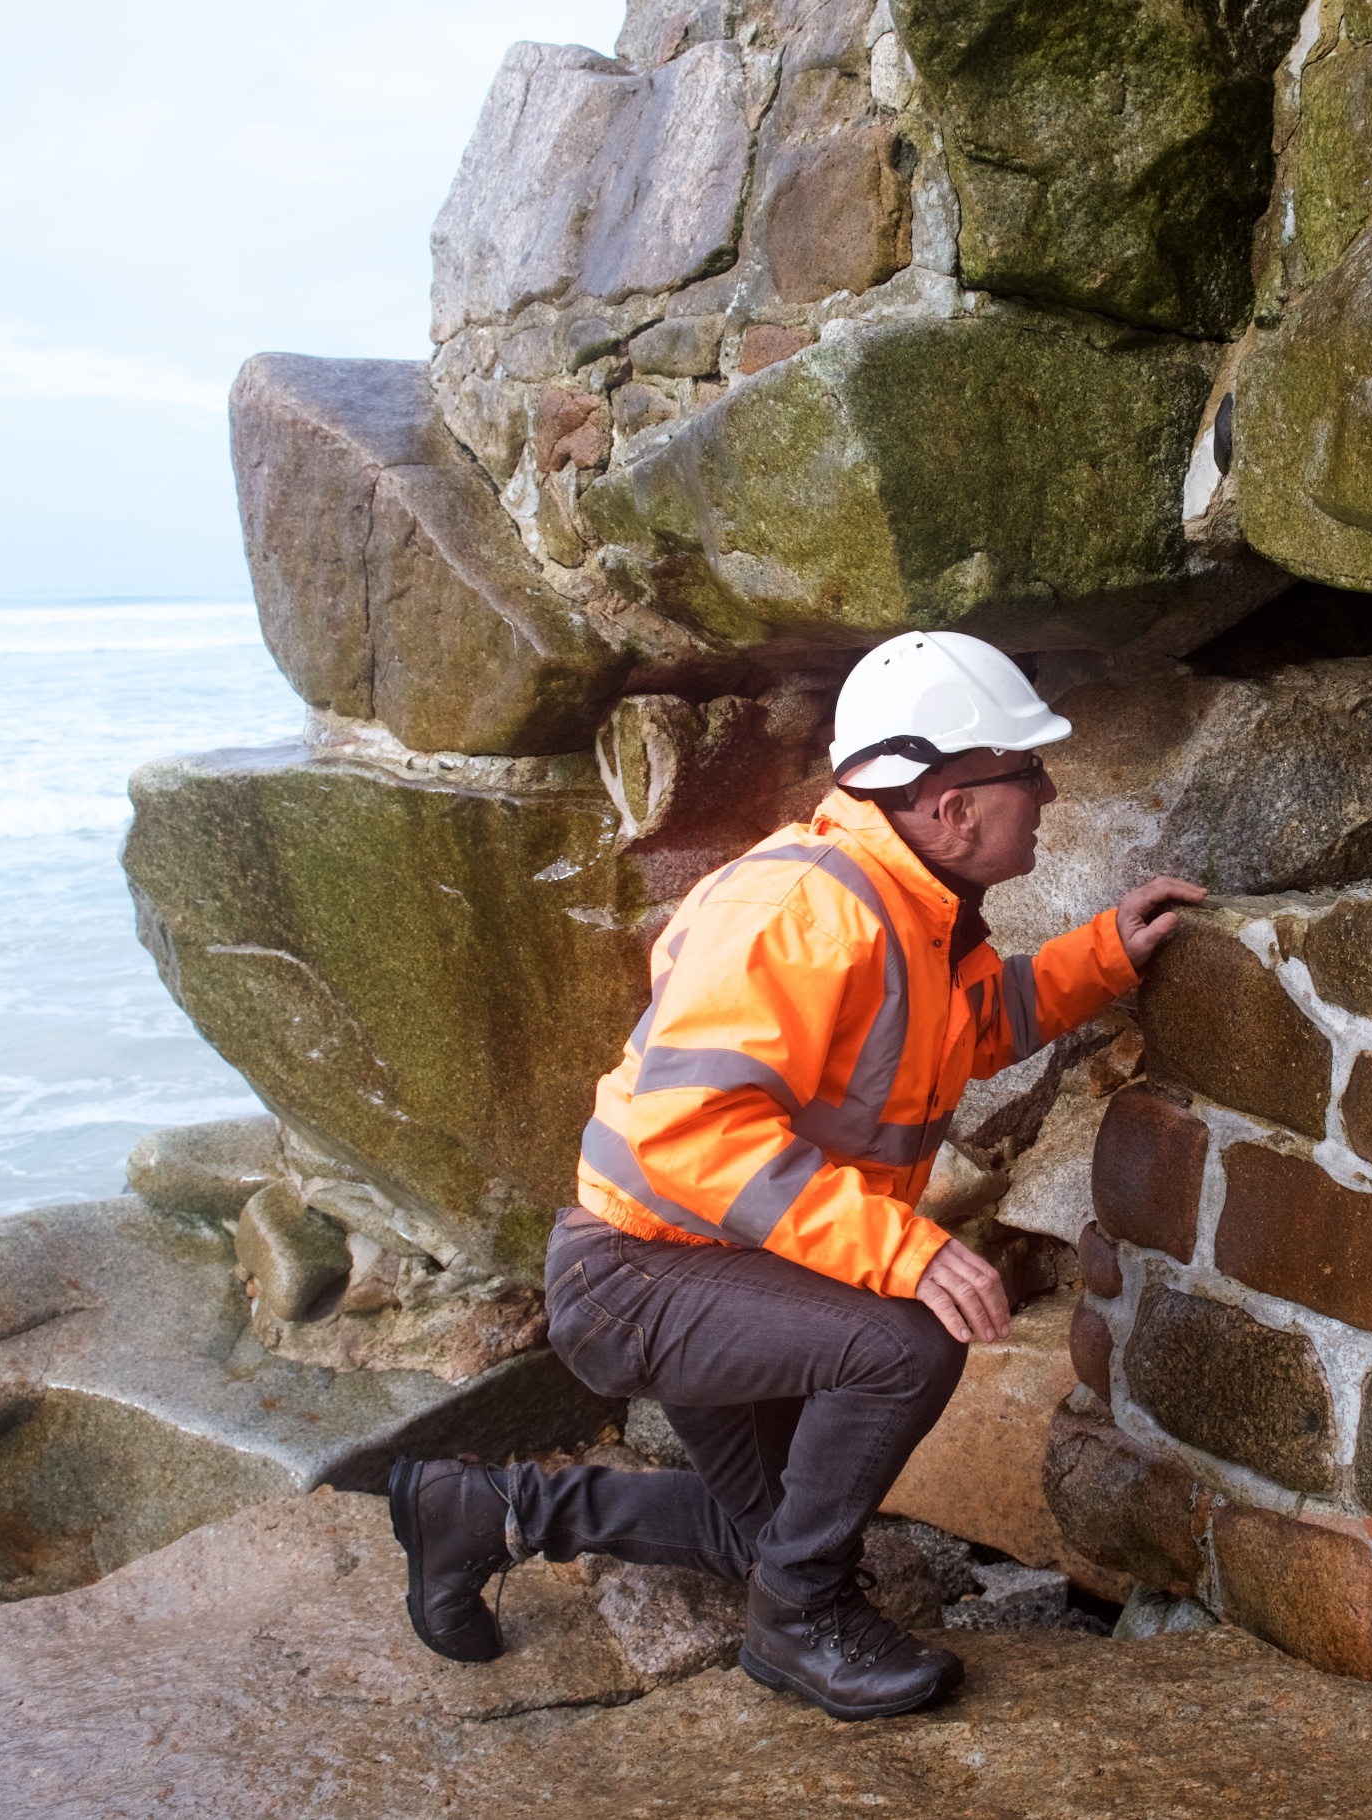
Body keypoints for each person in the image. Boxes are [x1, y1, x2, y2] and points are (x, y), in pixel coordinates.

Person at [387, 630, 1203, 1721]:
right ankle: (797, 1623)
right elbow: (690, 1131)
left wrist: (1104, 951)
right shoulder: (799, 910)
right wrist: (901, 1247)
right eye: (1025, 769)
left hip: (732, 1268)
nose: (1047, 787)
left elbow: (967, 1026)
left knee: (761, 1532)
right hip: (639, 1277)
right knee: (908, 1334)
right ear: (955, 806)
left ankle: (483, 1506)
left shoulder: (908, 907)